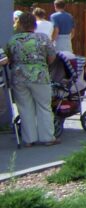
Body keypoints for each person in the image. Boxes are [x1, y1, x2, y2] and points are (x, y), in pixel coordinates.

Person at [2, 11, 58, 146]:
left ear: (20, 24)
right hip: (40, 76)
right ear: (34, 24)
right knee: (44, 106)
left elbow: (7, 58)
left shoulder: (13, 40)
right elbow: (52, 57)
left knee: (24, 107)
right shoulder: (43, 38)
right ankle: (47, 138)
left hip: (19, 77)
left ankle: (29, 140)